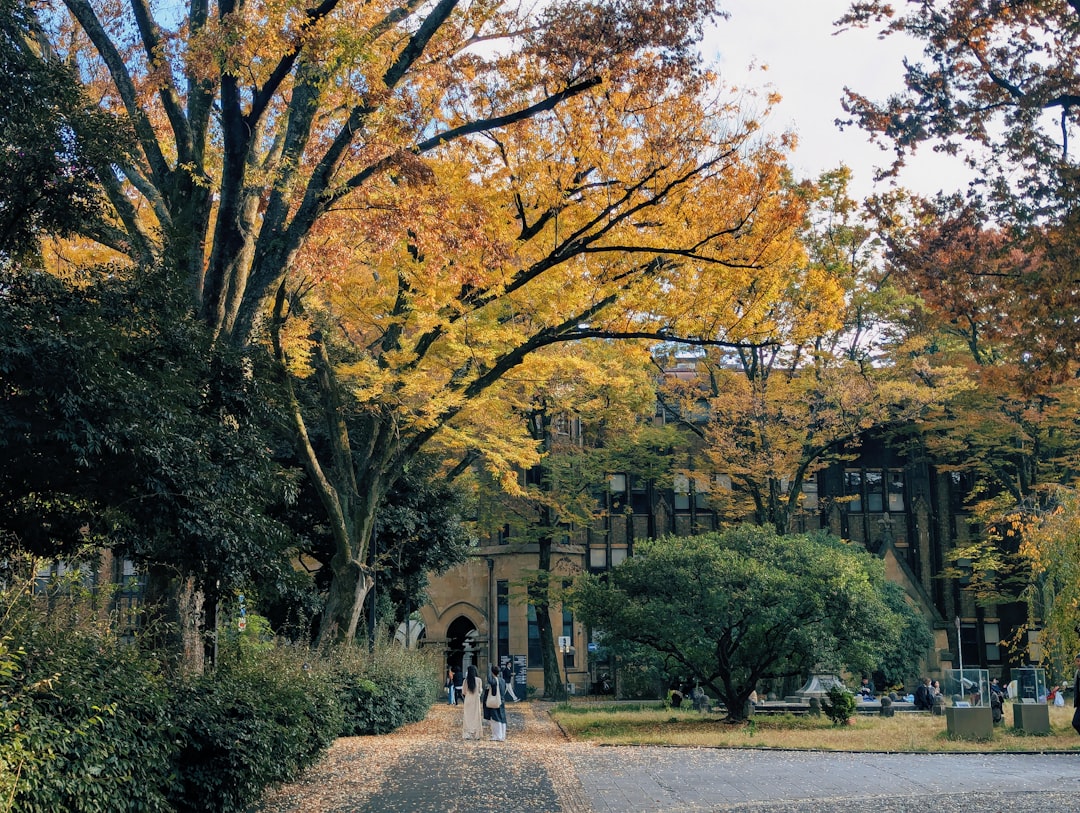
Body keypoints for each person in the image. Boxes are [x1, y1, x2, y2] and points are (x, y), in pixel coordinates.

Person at [483, 664, 508, 741]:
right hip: (501, 700)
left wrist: (488, 669)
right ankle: (502, 735)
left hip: (495, 701)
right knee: (502, 718)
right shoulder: (502, 680)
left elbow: (490, 680)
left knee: (495, 718)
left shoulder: (494, 680)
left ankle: (497, 736)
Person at [460, 665, 483, 740]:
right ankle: (477, 734)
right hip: (476, 700)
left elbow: (463, 691)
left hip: (468, 699)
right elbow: (480, 690)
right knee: (476, 716)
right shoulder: (479, 680)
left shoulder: (465, 681)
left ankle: (467, 734)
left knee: (467, 717)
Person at [1072, 653, 1080, 735]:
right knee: (1075, 723)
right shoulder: (1077, 672)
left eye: (1079, 661)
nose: (1078, 663)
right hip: (1079, 703)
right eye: (1077, 661)